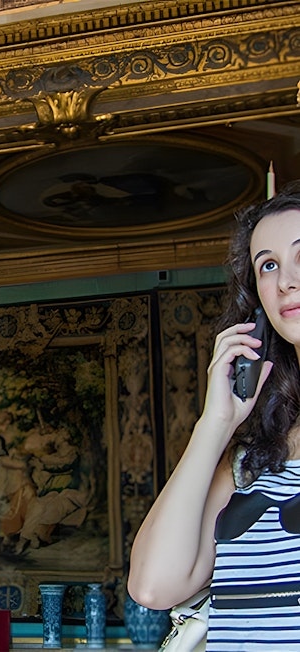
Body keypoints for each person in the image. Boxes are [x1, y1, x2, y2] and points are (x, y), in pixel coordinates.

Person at [129, 184, 300, 650]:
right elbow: (153, 587)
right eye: (268, 265)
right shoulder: (251, 458)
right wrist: (216, 424)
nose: (286, 281)